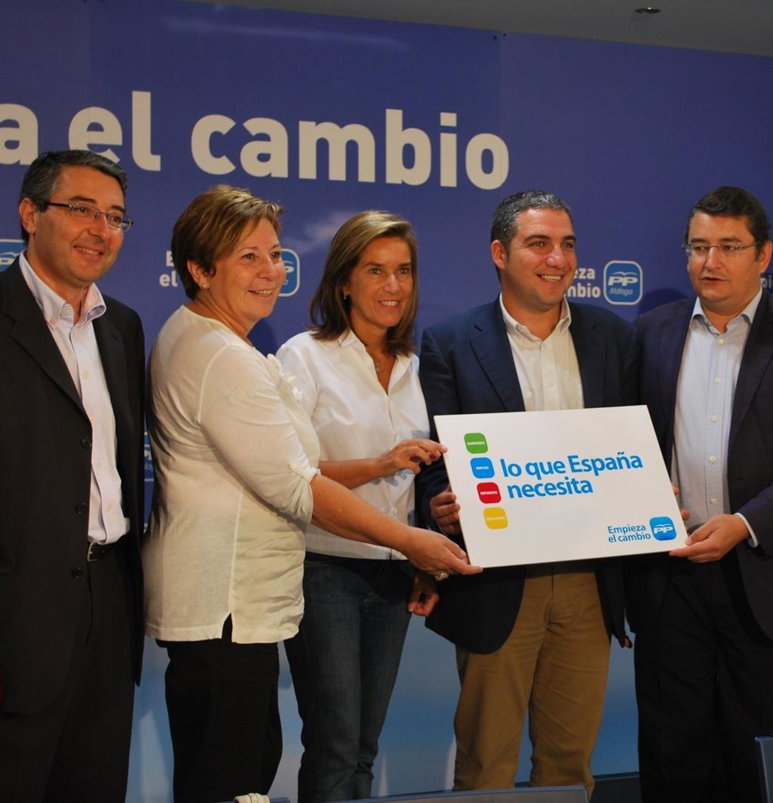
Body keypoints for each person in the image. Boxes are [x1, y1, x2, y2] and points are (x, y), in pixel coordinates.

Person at [145, 186, 477, 803]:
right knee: (253, 771)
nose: (270, 271)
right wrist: (413, 541)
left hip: (243, 605)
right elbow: (299, 484)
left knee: (255, 768)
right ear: (200, 268)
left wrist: (414, 540)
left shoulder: (222, 344)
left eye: (275, 255)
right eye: (249, 257)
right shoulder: (225, 355)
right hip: (231, 601)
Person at [0, 149, 145, 802]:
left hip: (107, 613)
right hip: (1, 628)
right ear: (29, 214)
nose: (100, 229)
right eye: (81, 210)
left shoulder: (122, 327)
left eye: (116, 217)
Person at [626, 186, 773, 803]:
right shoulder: (651, 331)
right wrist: (642, 490)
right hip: (669, 580)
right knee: (671, 757)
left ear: (764, 256)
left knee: (756, 763)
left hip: (766, 574)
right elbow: (626, 443)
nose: (711, 262)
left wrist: (746, 523)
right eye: (699, 247)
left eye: (729, 247)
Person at [415, 190, 632, 796]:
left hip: (588, 582)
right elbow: (432, 461)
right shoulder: (450, 343)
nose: (557, 259)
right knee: (486, 765)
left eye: (567, 244)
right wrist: (438, 505)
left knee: (569, 765)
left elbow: (635, 444)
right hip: (497, 581)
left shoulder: (613, 337)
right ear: (499, 253)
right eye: (539, 244)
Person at [279, 210, 444, 802]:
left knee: (364, 746)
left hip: (394, 571)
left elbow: (425, 482)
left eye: (404, 270)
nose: (393, 285)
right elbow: (289, 473)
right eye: (375, 270)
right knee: (335, 745)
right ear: (344, 281)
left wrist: (424, 561)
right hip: (323, 567)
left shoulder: (419, 369)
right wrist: (379, 463)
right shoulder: (304, 357)